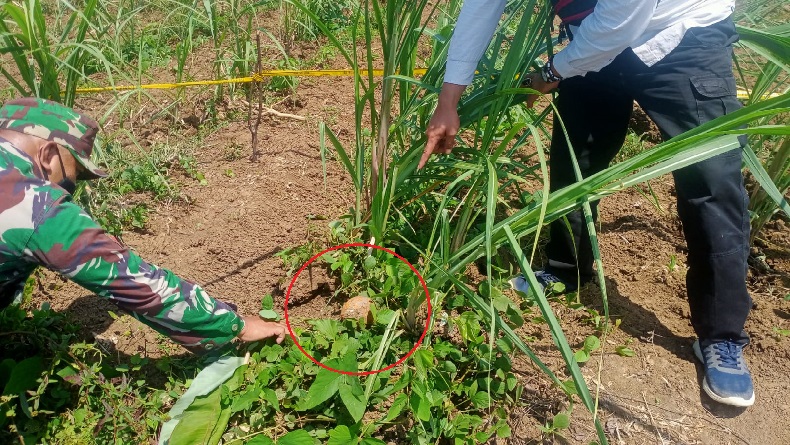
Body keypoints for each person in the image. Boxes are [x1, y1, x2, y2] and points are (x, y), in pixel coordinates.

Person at [419, 0, 754, 407]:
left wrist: (550, 73)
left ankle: (721, 336)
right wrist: (449, 99)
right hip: (592, 39)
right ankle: (566, 271)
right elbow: (482, 7)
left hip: (681, 37)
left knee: (711, 183)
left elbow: (620, 24)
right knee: (575, 164)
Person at [0, 97, 286, 353]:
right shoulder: (30, 201)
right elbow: (134, 281)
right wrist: (237, 326)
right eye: (71, 177)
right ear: (49, 155)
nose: (67, 189)